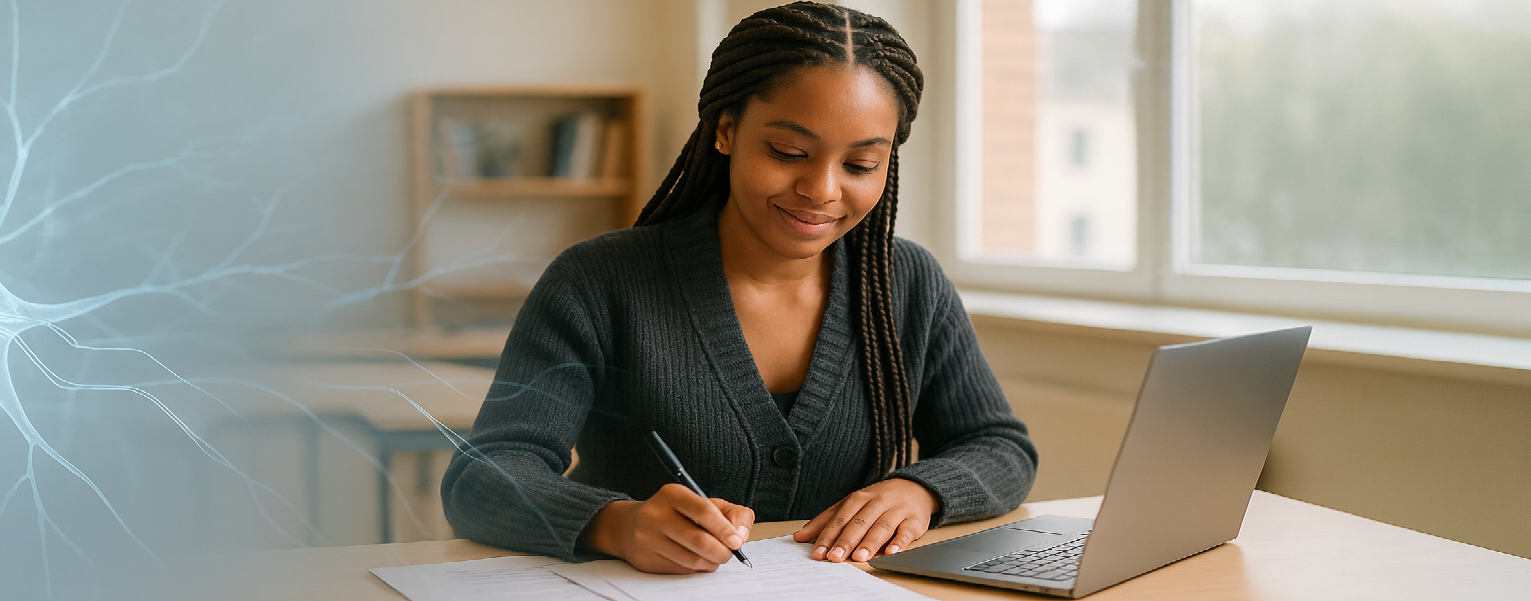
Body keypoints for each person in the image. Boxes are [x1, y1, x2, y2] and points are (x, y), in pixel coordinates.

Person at [440, 1, 1037, 575]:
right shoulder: (599, 281)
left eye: (860, 165)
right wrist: (615, 524)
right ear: (726, 130)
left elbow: (997, 445)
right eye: (788, 152)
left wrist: (921, 491)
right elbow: (484, 475)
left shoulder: (907, 284)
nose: (822, 189)